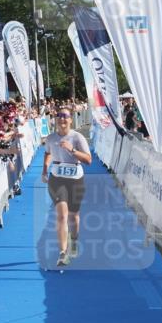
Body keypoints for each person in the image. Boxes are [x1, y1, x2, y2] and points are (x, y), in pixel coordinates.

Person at [42, 108, 92, 268]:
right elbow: (48, 153)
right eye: (59, 115)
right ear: (56, 119)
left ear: (71, 119)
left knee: (74, 216)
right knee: (62, 215)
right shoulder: (50, 138)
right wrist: (44, 169)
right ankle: (63, 253)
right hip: (57, 180)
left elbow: (88, 160)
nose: (62, 119)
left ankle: (75, 240)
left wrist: (72, 149)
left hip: (75, 180)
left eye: (65, 116)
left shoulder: (77, 137)